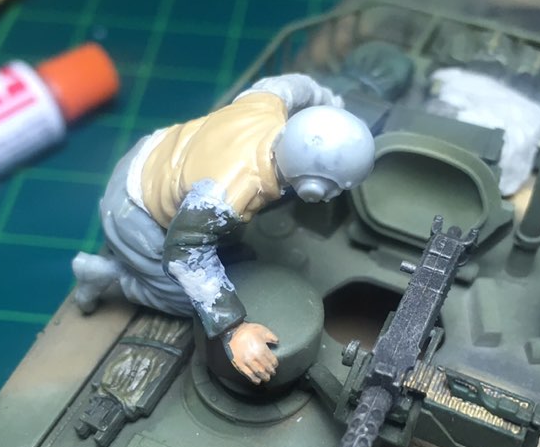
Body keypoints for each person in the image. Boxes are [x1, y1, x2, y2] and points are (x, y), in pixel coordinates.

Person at [72, 74, 375, 384]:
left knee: (218, 253)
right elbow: (183, 255)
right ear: (314, 188)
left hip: (155, 154)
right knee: (188, 301)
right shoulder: (230, 193)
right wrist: (233, 329)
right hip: (134, 212)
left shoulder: (266, 106)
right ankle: (109, 274)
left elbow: (295, 86)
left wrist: (330, 106)